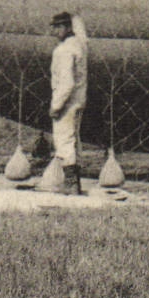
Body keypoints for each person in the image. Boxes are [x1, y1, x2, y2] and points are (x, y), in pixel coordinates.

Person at [48, 11, 88, 195]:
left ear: (66, 28)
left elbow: (67, 83)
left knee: (64, 141)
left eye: (58, 28)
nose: (55, 32)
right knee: (74, 140)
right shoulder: (79, 46)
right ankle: (75, 182)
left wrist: (56, 106)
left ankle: (71, 183)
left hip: (67, 103)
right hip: (79, 101)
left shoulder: (64, 50)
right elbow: (83, 37)